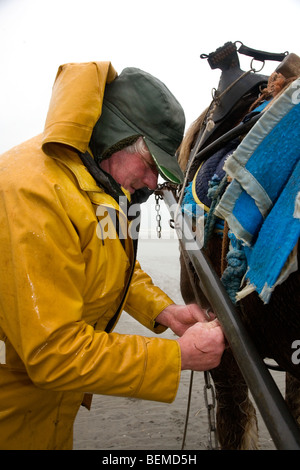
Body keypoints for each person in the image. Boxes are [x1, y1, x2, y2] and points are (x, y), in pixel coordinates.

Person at [0, 62, 225, 450]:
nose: (154, 183)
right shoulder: (32, 193)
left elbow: (119, 267)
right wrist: (175, 358)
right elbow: (53, 352)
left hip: (51, 403)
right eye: (151, 165)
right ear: (118, 137)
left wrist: (166, 312)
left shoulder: (100, 187)